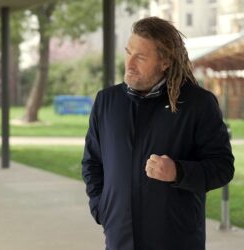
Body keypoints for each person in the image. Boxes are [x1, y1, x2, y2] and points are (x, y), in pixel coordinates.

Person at [82, 16, 234, 250]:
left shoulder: (198, 104)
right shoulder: (107, 101)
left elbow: (222, 168)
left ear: (164, 61)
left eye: (140, 57)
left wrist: (178, 171)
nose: (129, 64)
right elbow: (92, 163)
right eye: (128, 52)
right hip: (120, 239)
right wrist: (101, 208)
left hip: (176, 240)